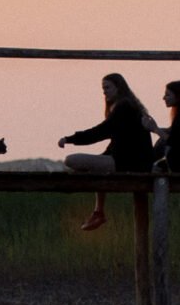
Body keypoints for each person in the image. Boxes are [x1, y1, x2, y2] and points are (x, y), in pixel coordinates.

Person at [59, 71, 151, 231]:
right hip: (132, 162)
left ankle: (98, 212)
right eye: (103, 89)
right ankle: (98, 211)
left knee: (71, 160)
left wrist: (70, 139)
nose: (104, 92)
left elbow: (101, 131)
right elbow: (115, 142)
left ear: (118, 87)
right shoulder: (127, 106)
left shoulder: (124, 107)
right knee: (95, 165)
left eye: (107, 87)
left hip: (130, 163)